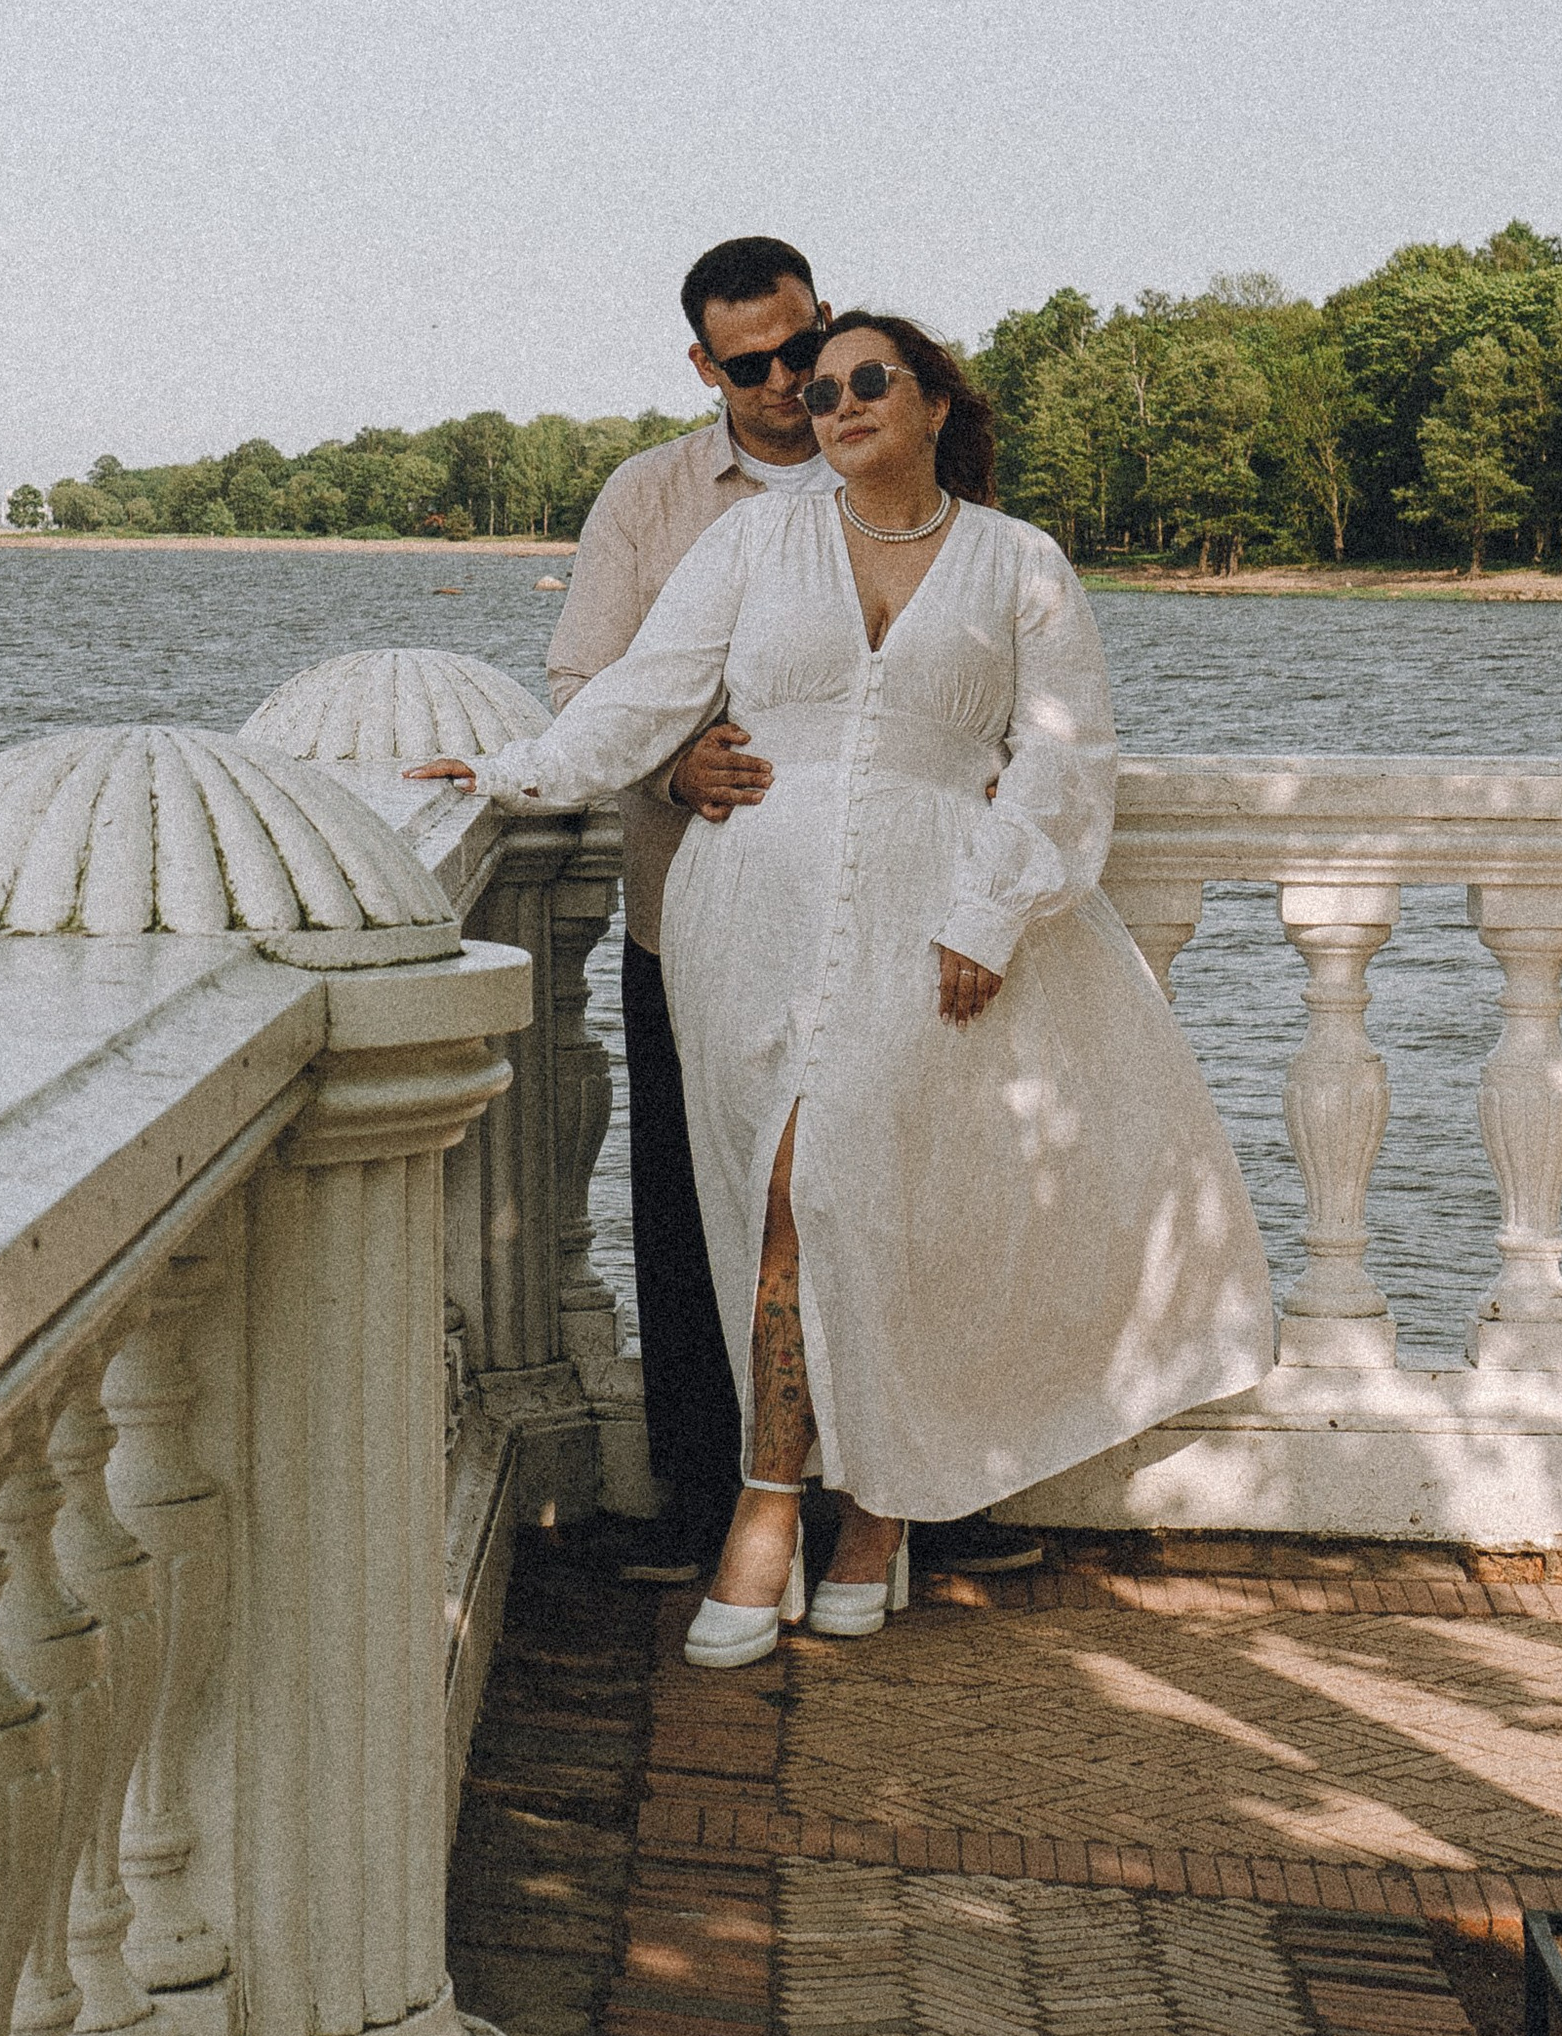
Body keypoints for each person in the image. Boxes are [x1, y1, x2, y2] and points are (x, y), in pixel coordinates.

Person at [414, 309, 1272, 1668]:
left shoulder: (1019, 564)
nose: (836, 403)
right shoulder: (753, 541)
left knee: (867, 1194)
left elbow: (1065, 760)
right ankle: (788, 1502)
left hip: (930, 914)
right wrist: (512, 775)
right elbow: (650, 691)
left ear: (935, 404)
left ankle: (863, 1513)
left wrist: (994, 911)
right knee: (775, 1194)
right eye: (818, 391)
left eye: (869, 380)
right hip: (746, 911)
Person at [543, 243, 1042, 1591]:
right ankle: (719, 1504)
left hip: (897, 929)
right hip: (702, 921)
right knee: (706, 1209)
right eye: (750, 365)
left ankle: (917, 1498)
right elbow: (595, 677)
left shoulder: (900, 472)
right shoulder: (650, 500)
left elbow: (995, 681)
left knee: (906, 1201)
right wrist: (674, 759)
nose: (785, 385)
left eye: (801, 349)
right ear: (704, 368)